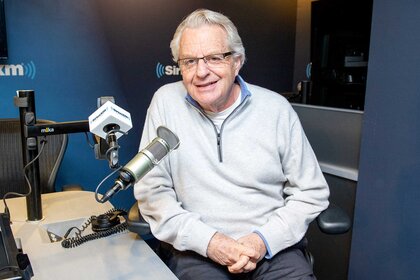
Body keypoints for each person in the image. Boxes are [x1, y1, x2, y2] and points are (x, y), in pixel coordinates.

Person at [134, 8, 329, 280]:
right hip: (198, 251)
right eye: (189, 61)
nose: (201, 72)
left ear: (237, 62)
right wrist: (211, 242)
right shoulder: (166, 102)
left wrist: (262, 241)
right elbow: (152, 191)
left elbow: (312, 192)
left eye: (214, 58)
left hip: (274, 249)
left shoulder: (276, 109)